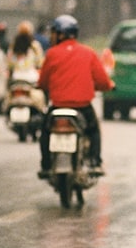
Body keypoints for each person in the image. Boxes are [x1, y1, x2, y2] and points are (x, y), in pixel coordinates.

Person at [37, 15, 115, 178]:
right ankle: (94, 162)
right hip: (82, 107)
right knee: (93, 130)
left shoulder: (52, 54)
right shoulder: (88, 53)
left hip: (57, 106)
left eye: (53, 33)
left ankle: (45, 165)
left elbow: (43, 82)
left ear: (61, 34)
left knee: (45, 131)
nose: (51, 37)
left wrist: (42, 86)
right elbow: (102, 81)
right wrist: (109, 86)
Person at [6, 21, 46, 111]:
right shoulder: (35, 46)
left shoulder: (13, 46)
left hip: (16, 77)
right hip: (31, 77)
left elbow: (9, 63)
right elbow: (40, 63)